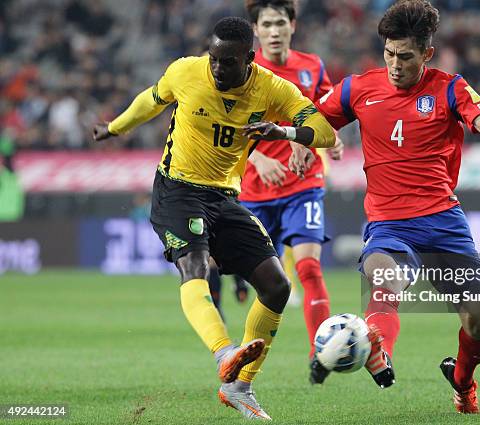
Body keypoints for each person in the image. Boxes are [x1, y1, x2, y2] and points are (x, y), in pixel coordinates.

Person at [93, 16, 335, 420]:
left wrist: (286, 133)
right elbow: (150, 101)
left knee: (277, 287)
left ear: (250, 59)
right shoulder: (187, 71)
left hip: (224, 198)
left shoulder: (272, 89)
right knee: (196, 266)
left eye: (228, 61)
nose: (218, 68)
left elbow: (323, 131)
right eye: (214, 57)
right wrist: (115, 128)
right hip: (176, 189)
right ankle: (225, 352)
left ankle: (240, 387)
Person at [315, 0, 480, 414]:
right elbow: (314, 121)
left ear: (427, 54)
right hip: (388, 224)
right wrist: (305, 140)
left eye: (405, 57)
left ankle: (463, 380)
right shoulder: (357, 88)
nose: (395, 65)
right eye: (388, 54)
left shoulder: (450, 87)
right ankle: (377, 348)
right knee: (384, 280)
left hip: (443, 223)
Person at [240, 0, 344, 384]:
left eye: (280, 22)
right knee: (265, 282)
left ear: (292, 25)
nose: (274, 30)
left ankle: (320, 351)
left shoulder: (311, 66)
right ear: (256, 29)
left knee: (309, 267)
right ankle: (244, 367)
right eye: (266, 24)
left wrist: (329, 141)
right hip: (255, 188)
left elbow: (327, 110)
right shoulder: (245, 72)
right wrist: (257, 161)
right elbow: (225, 129)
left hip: (304, 184)